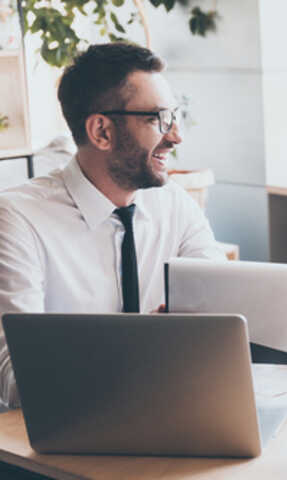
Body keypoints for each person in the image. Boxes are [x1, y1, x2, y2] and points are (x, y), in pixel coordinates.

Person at [0, 43, 225, 408]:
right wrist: (136, 351)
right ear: (101, 131)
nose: (175, 136)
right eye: (157, 119)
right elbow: (17, 380)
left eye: (174, 116)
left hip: (172, 409)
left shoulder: (175, 204)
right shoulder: (17, 220)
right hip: (67, 435)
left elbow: (225, 307)